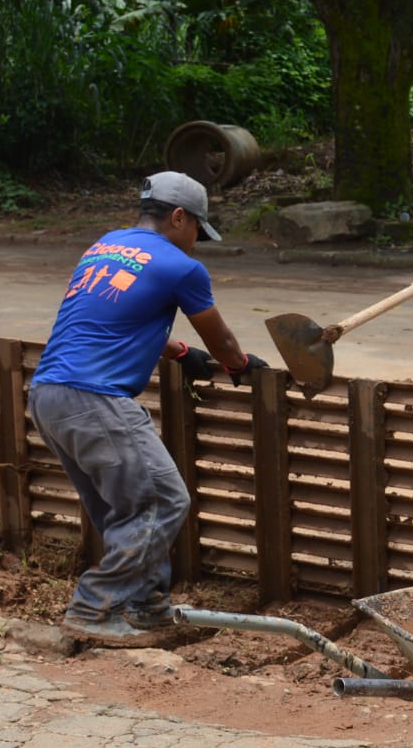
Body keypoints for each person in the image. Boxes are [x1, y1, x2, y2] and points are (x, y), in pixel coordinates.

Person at [28, 172, 268, 648]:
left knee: (127, 508)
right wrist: (238, 364)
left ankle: (146, 605)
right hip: (95, 398)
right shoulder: (182, 267)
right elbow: (220, 338)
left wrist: (178, 352)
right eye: (197, 229)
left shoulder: (105, 246)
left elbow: (114, 321)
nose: (196, 241)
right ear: (179, 217)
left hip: (48, 395)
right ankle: (93, 609)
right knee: (163, 500)